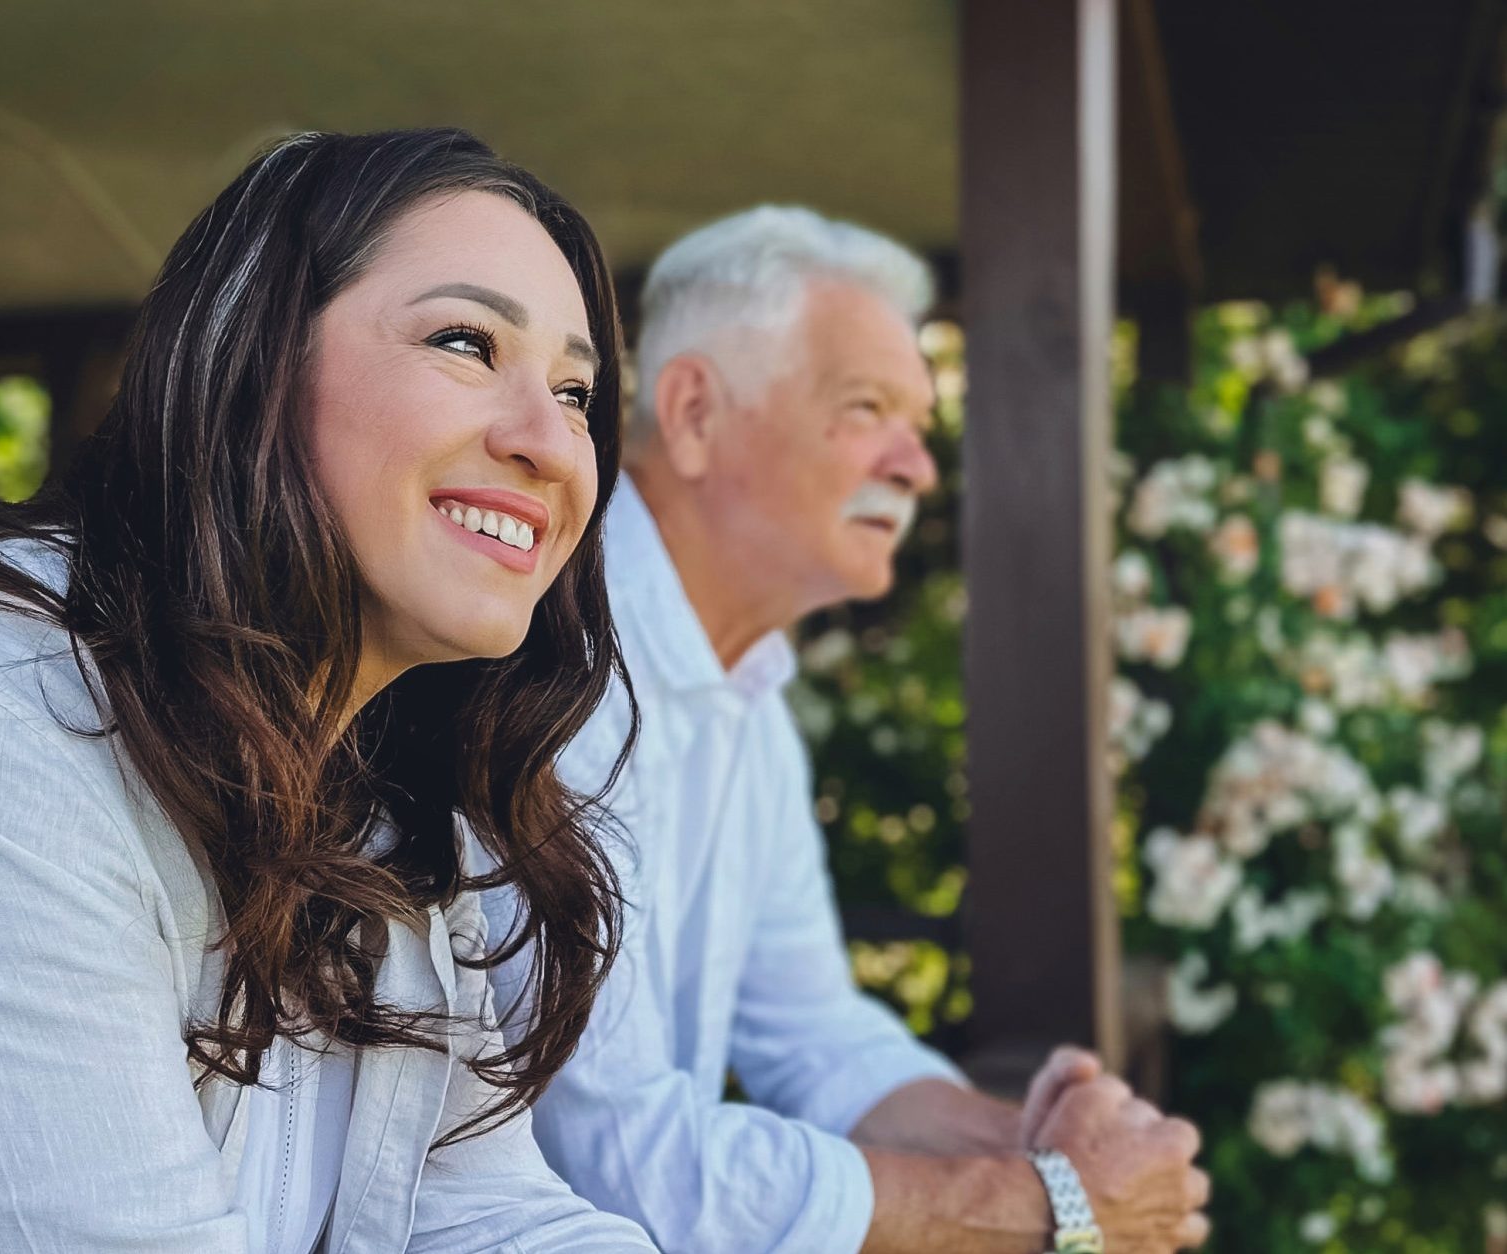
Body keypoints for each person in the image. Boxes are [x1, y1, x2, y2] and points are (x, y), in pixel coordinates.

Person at [0, 128, 655, 1253]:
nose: (551, 443)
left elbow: (486, 1219)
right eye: (466, 342)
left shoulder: (376, 788)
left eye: (576, 391)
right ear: (253, 366)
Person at [482, 206, 1211, 1254]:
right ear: (692, 413)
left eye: (918, 421)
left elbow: (816, 1038)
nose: (917, 465)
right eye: (867, 407)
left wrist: (1034, 1144)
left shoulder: (749, 695)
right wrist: (1053, 1208)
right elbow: (613, 1160)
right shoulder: (553, 663)